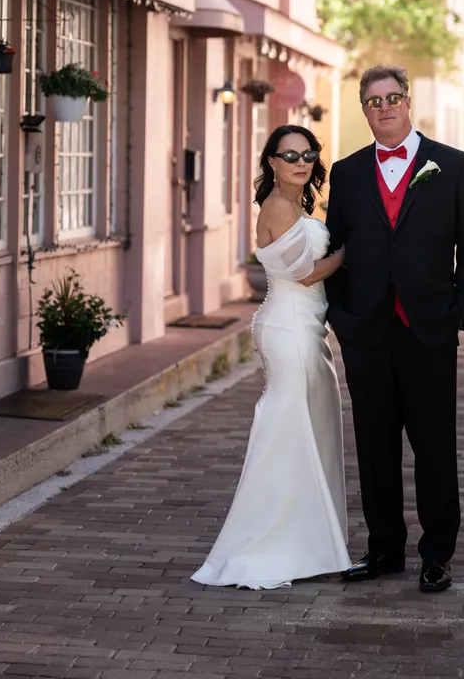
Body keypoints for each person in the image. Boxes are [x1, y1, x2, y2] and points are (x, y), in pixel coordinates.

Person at [325, 64, 464, 595]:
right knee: (374, 447)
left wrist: (461, 309)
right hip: (367, 333)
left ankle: (437, 554)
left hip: (429, 331)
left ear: (407, 101)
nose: (385, 108)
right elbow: (336, 250)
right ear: (365, 110)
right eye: (374, 101)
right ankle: (384, 549)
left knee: (435, 447)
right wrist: (342, 318)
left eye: (393, 97)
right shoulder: (346, 174)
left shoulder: (454, 166)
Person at [191, 125, 350, 590]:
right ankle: (273, 542)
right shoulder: (279, 206)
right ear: (272, 162)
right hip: (290, 326)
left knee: (304, 425)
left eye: (308, 153)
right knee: (290, 427)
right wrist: (348, 253)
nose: (301, 161)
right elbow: (304, 274)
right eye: (290, 154)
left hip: (303, 325)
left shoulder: (297, 205)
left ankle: (307, 539)